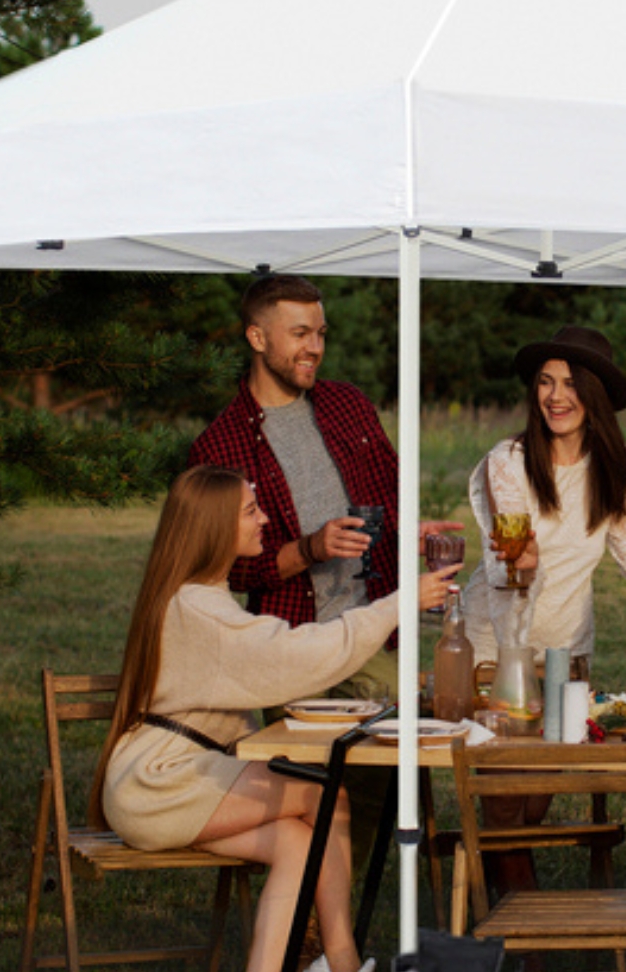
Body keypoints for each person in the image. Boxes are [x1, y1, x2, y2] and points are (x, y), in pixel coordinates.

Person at [91, 465, 451, 972]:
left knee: (298, 842)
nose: (264, 520)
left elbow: (269, 664)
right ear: (215, 526)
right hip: (158, 785)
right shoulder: (199, 608)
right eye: (250, 511)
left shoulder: (196, 595)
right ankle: (344, 962)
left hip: (165, 781)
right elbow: (291, 656)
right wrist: (396, 605)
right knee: (327, 794)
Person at [188, 274, 457, 873]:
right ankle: (314, 939)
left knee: (385, 782)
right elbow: (228, 571)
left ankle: (337, 924)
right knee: (309, 794)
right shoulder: (224, 443)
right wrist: (310, 548)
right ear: (257, 337)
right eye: (300, 333)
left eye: (321, 334)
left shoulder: (346, 405)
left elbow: (389, 492)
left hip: (372, 629)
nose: (315, 347)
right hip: (290, 643)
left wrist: (411, 529)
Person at [463, 324, 626, 667]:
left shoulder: (615, 461)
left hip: (569, 651)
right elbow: (505, 575)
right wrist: (522, 566)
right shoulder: (507, 461)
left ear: (595, 393)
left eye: (571, 384)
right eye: (546, 381)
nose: (555, 396)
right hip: (494, 653)